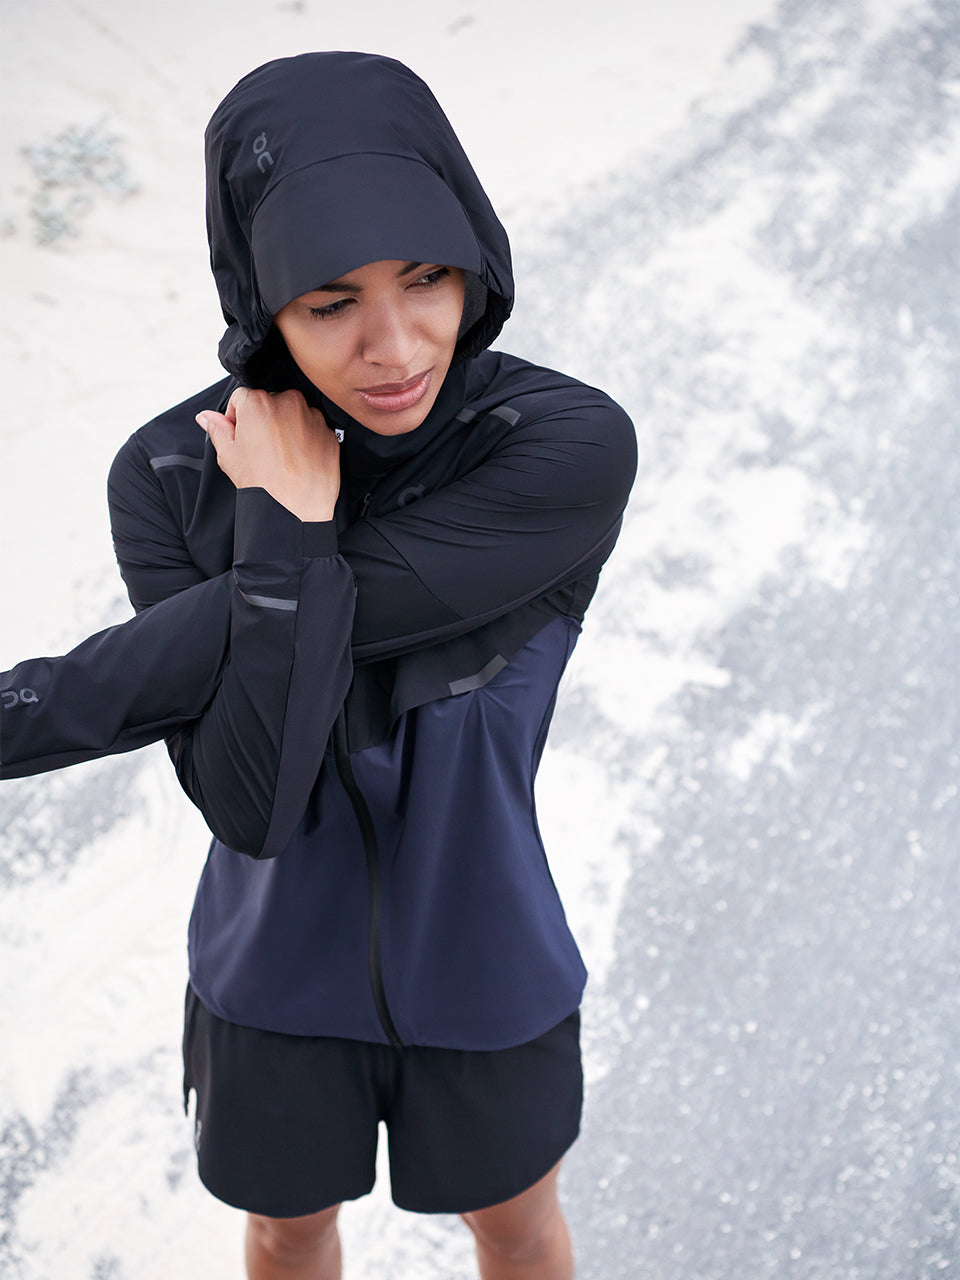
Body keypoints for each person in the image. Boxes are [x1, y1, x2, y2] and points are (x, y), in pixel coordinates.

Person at [1, 52, 636, 1279]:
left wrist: (288, 540)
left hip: (490, 958)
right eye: (331, 299)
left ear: (472, 259)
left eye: (427, 277)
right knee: (286, 1231)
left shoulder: (557, 445)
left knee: (515, 1227)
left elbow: (232, 646)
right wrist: (278, 526)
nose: (397, 347)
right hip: (270, 978)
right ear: (263, 302)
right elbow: (257, 801)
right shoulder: (173, 476)